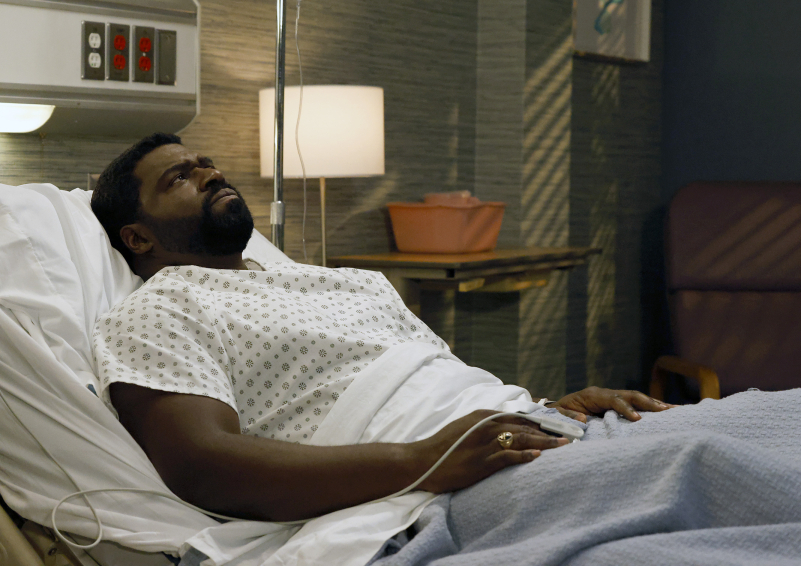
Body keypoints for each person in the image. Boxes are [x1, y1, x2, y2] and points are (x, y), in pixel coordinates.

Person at [90, 132, 674, 523]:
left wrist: (544, 407)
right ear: (137, 237)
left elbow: (435, 386)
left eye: (205, 164)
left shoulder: (345, 281)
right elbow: (202, 465)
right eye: (179, 178)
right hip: (435, 487)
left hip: (523, 433)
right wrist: (423, 460)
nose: (210, 174)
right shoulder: (161, 309)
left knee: (715, 429)